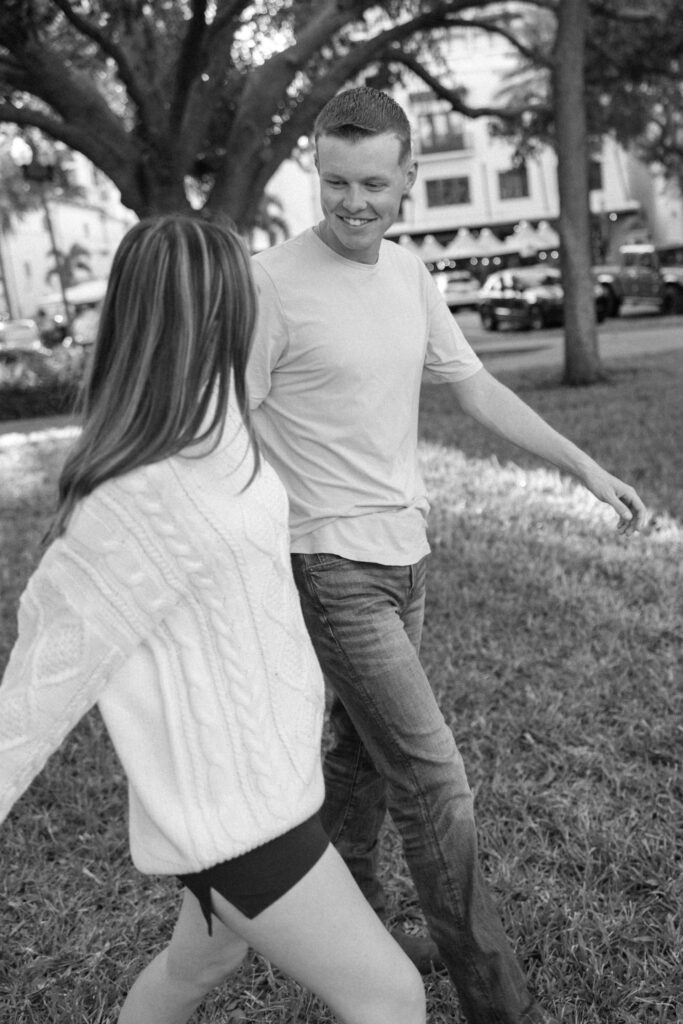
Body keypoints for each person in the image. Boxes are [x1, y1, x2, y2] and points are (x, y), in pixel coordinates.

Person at [246, 87, 646, 1024]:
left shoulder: (410, 272)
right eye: (335, 181)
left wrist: (583, 465)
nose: (353, 202)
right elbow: (230, 421)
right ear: (315, 167)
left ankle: (360, 929)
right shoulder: (267, 282)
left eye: (373, 184)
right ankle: (494, 1000)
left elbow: (471, 387)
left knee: (354, 759)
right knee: (434, 780)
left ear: (407, 182)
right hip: (326, 562)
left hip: (405, 556)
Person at [0, 215, 427, 1024]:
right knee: (390, 997)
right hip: (237, 819)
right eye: (238, 299)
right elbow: (33, 695)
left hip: (276, 779)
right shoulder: (123, 505)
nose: (255, 313)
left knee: (197, 968)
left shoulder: (217, 422)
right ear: (199, 317)